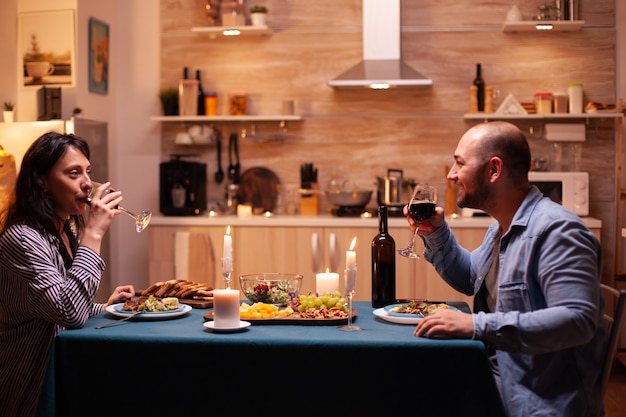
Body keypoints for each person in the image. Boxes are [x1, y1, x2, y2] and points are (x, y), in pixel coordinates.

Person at [405, 121, 607, 417]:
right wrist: (436, 234)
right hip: (499, 381)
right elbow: (470, 276)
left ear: (494, 170)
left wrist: (477, 325)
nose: (451, 175)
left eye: (459, 164)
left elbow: (578, 320)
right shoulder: (502, 227)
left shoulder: (558, 231)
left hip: (538, 403)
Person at [0, 132, 135, 417]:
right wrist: (94, 233)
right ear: (42, 182)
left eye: (88, 172)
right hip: (28, 390)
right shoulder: (23, 239)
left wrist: (104, 308)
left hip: (59, 374)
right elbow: (68, 311)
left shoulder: (61, 230)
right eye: (74, 173)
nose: (87, 183)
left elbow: (55, 305)